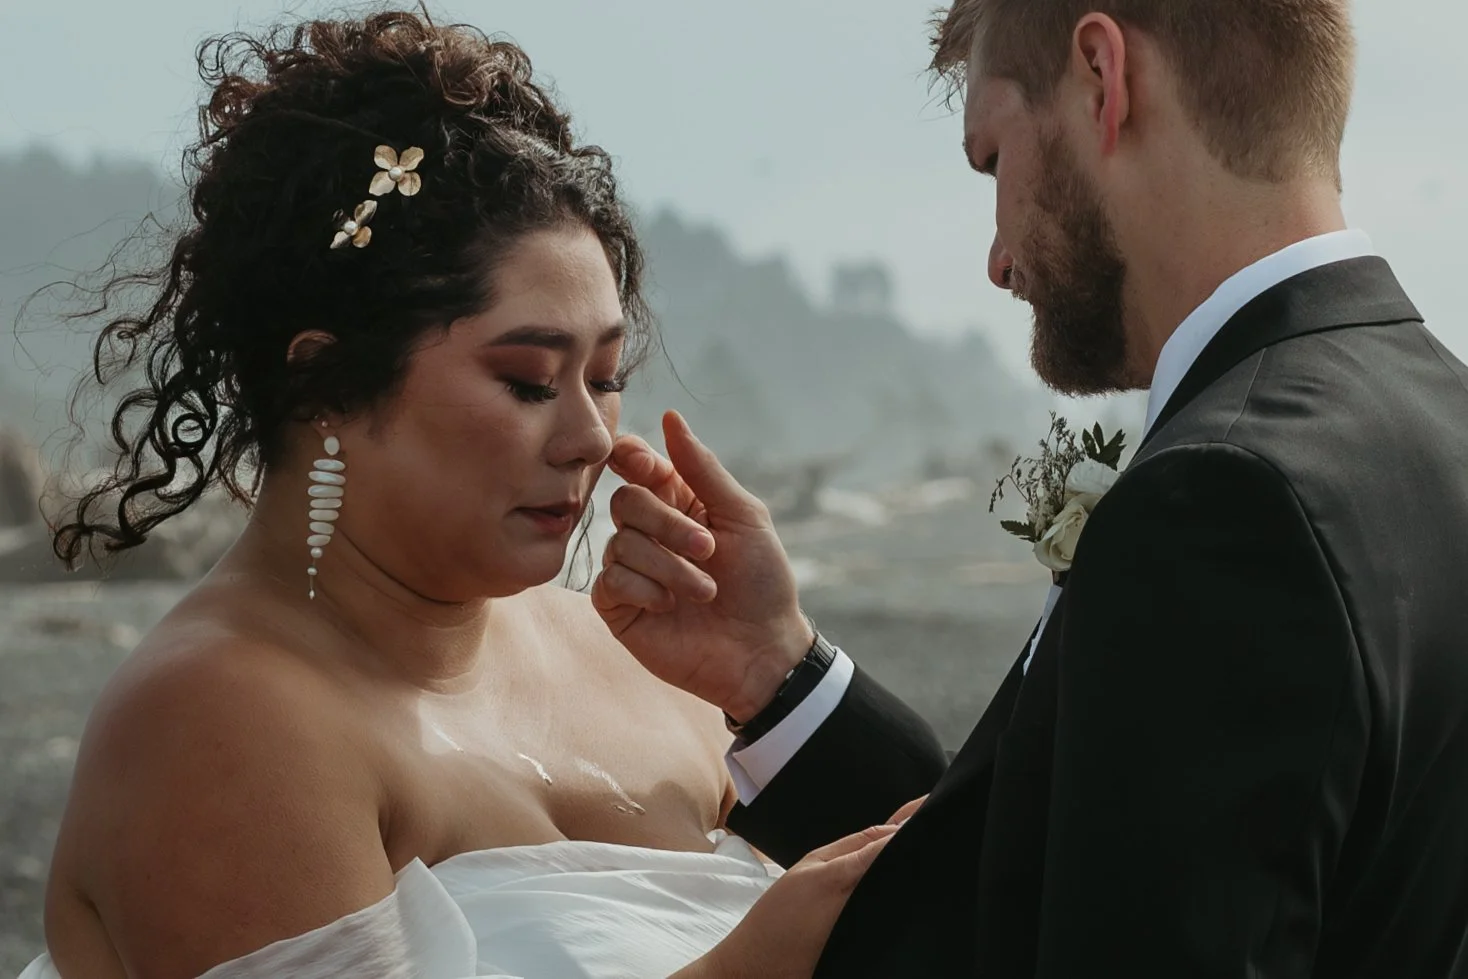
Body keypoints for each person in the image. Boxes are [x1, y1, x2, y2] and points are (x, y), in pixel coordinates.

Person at [593, 0, 1468, 976]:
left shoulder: (1222, 499)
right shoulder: (1441, 421)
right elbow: (1053, 874)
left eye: (992, 160)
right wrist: (777, 673)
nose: (998, 259)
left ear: (1102, 78)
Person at [17, 12, 898, 979]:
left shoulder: (644, 666)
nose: (591, 437)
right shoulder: (220, 718)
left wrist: (775, 671)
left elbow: (982, 901)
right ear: (326, 386)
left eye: (604, 375)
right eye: (527, 381)